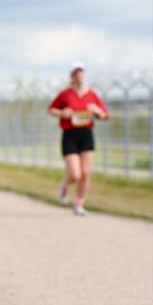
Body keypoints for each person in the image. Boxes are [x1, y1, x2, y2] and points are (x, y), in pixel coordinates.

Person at [47, 62, 109, 216]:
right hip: (70, 135)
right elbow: (51, 109)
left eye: (81, 72)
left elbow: (105, 115)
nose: (79, 75)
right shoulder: (65, 94)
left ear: (85, 74)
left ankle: (79, 204)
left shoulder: (92, 95)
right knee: (76, 174)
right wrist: (63, 113)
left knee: (86, 172)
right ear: (72, 76)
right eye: (76, 72)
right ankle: (65, 185)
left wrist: (96, 111)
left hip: (86, 134)